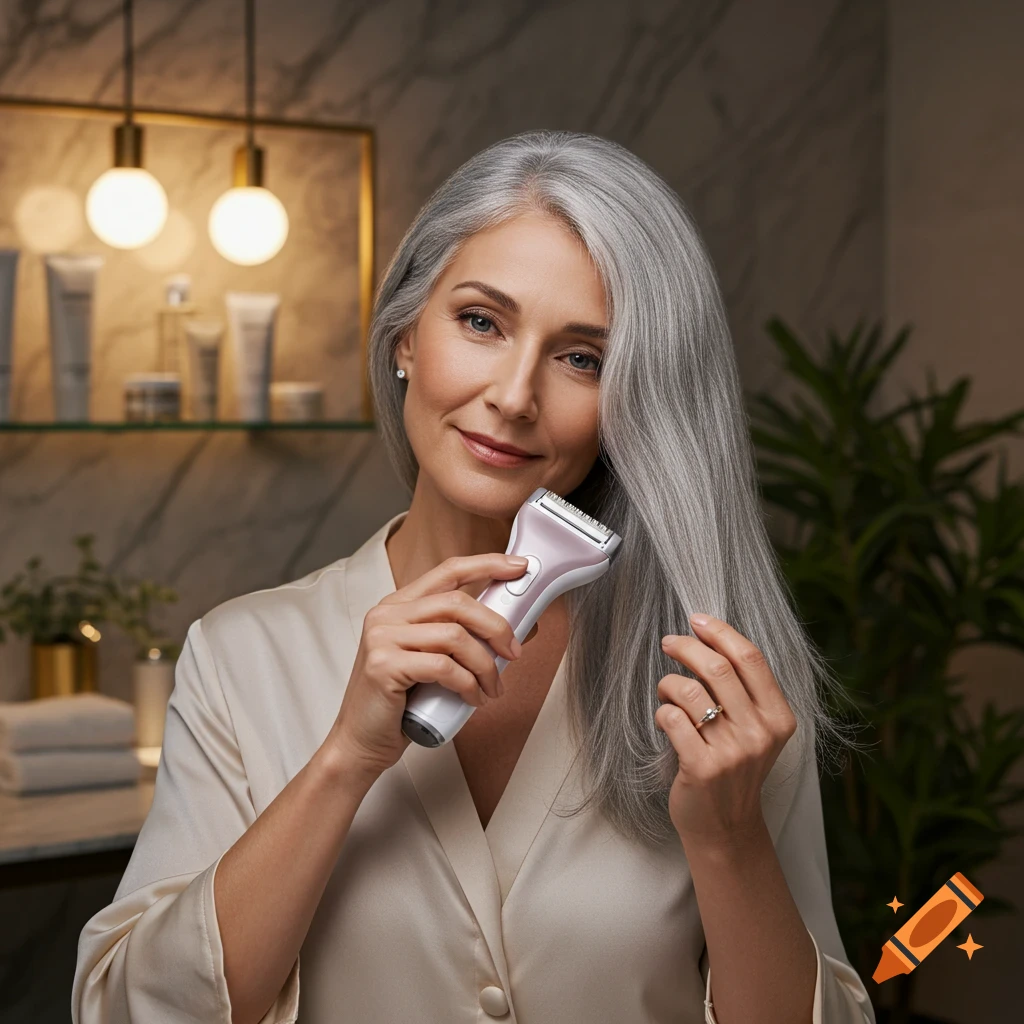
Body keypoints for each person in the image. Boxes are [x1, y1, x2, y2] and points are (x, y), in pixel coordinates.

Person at [72, 130, 876, 1024]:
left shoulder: (718, 689)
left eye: (583, 358)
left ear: (634, 402)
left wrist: (729, 841)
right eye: (482, 322)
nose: (514, 395)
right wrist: (344, 762)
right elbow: (129, 1010)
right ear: (405, 335)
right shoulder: (242, 657)